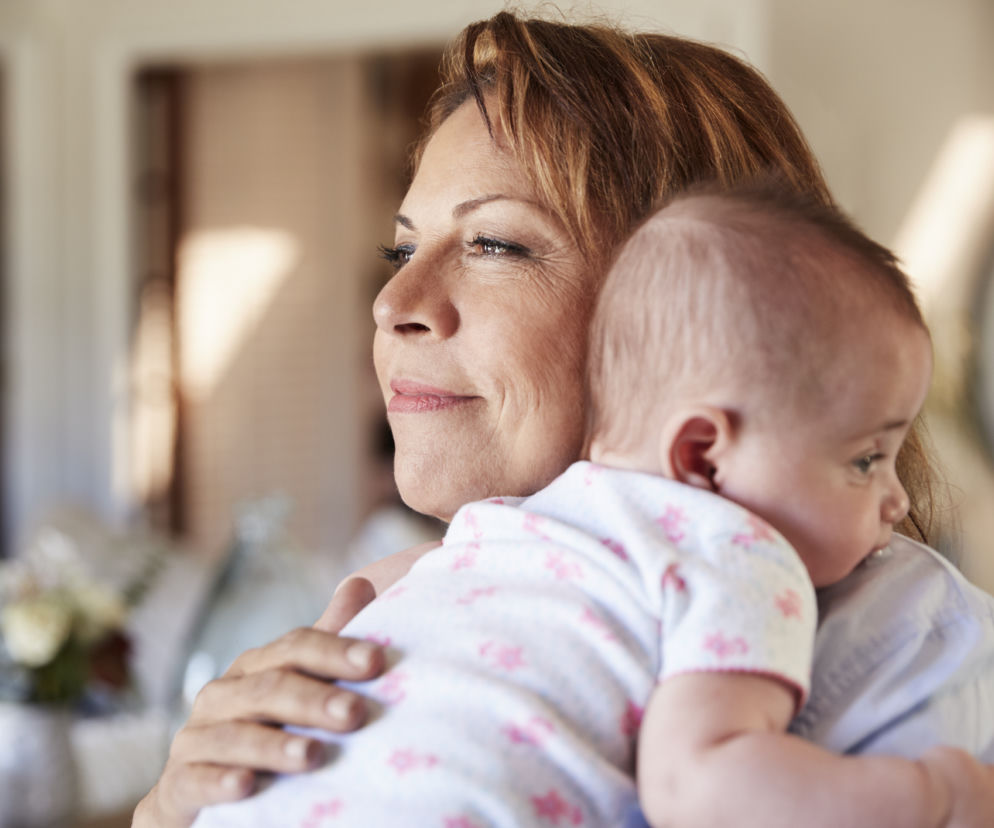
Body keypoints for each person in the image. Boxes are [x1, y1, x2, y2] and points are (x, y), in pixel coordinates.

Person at [134, 11, 994, 827]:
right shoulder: (404, 600)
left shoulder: (912, 648)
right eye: (401, 250)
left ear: (693, 312)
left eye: (495, 245)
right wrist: (178, 805)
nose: (394, 301)